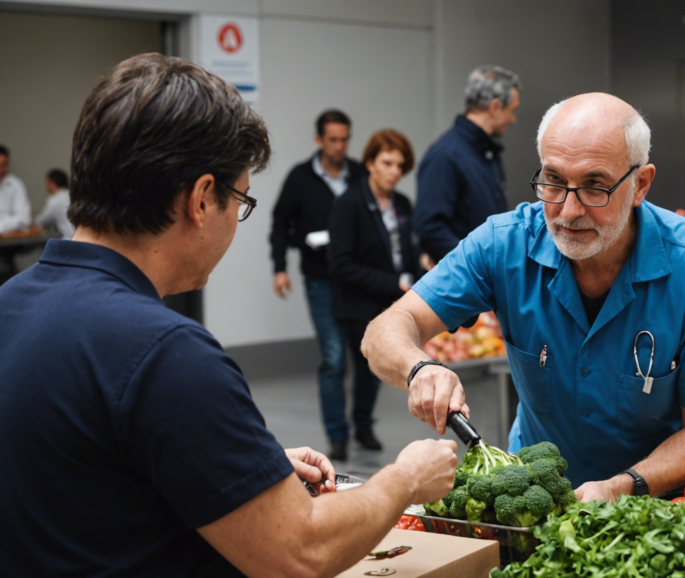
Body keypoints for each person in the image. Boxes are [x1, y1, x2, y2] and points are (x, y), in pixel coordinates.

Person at [0, 53, 457, 577]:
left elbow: (79, 476)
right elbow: (300, 553)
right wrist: (403, 480)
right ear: (200, 199)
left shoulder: (11, 301)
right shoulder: (166, 352)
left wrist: (234, 471)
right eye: (240, 199)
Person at [363, 93, 685, 503]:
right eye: (553, 181)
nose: (568, 211)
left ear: (640, 184)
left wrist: (622, 487)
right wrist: (419, 369)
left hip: (655, 509)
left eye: (594, 186)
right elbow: (384, 331)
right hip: (535, 500)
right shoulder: (504, 244)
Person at [270, 109, 368, 461]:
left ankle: (363, 425)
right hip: (320, 278)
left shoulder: (359, 174)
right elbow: (280, 222)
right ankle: (338, 436)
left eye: (345, 139)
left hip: (357, 280)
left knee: (367, 354)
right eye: (333, 140)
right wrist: (279, 268)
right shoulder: (300, 178)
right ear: (318, 140)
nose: (340, 146)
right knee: (332, 358)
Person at [327, 129, 420, 456]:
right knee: (343, 366)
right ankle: (338, 435)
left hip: (392, 301)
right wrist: (393, 283)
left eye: (400, 165)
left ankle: (363, 426)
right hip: (358, 302)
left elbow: (410, 250)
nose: (394, 171)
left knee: (372, 374)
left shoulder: (403, 203)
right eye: (387, 162)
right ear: (369, 163)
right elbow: (340, 265)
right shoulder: (348, 203)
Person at [414, 65, 520, 266]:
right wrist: (476, 263)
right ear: (495, 107)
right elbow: (429, 227)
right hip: (465, 282)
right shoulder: (445, 155)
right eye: (512, 110)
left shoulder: (487, 151)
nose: (513, 120)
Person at [0, 145, 31, 234]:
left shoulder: (16, 185)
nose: (1, 169)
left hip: (9, 242)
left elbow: (24, 219)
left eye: (4, 165)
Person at [36, 168, 74, 239]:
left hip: (69, 239)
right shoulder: (74, 195)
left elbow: (42, 221)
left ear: (51, 183)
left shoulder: (55, 199)